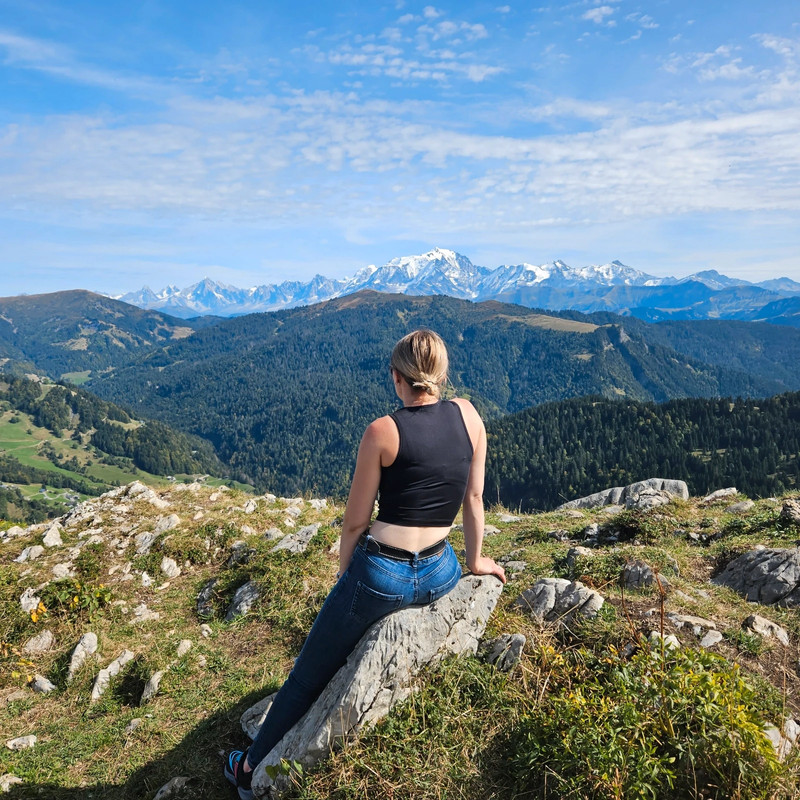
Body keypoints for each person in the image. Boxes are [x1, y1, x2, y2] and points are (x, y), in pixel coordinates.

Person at [225, 329, 506, 799]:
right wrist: (475, 560)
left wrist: (347, 581)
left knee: (308, 674)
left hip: (381, 573)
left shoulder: (383, 431)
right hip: (440, 571)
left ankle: (248, 769)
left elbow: (355, 525)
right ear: (439, 375)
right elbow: (474, 498)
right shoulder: (471, 417)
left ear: (397, 378)